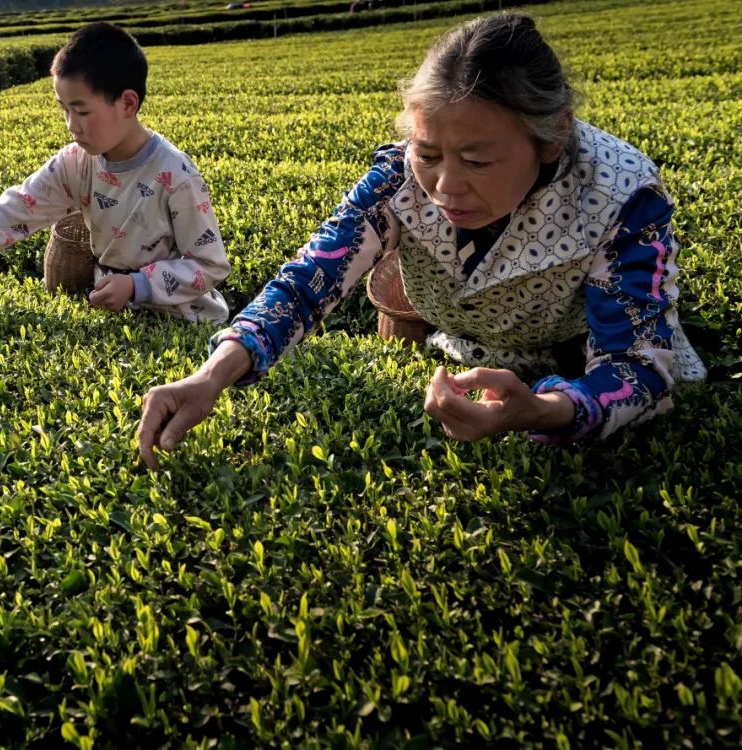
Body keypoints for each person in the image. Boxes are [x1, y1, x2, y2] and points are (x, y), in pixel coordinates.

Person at [137, 12, 707, 469]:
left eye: (477, 161)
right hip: (445, 307)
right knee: (405, 303)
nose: (446, 187)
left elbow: (637, 369)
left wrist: (543, 410)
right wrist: (211, 375)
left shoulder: (622, 195)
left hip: (567, 332)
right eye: (428, 153)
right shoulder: (397, 177)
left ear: (552, 139)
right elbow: (309, 280)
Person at [0, 22, 231, 324]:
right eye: (63, 109)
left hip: (186, 322)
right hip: (117, 317)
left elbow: (209, 265)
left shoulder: (175, 174)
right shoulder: (76, 162)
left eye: (81, 111)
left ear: (127, 103)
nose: (72, 125)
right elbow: (6, 214)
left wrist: (136, 285)